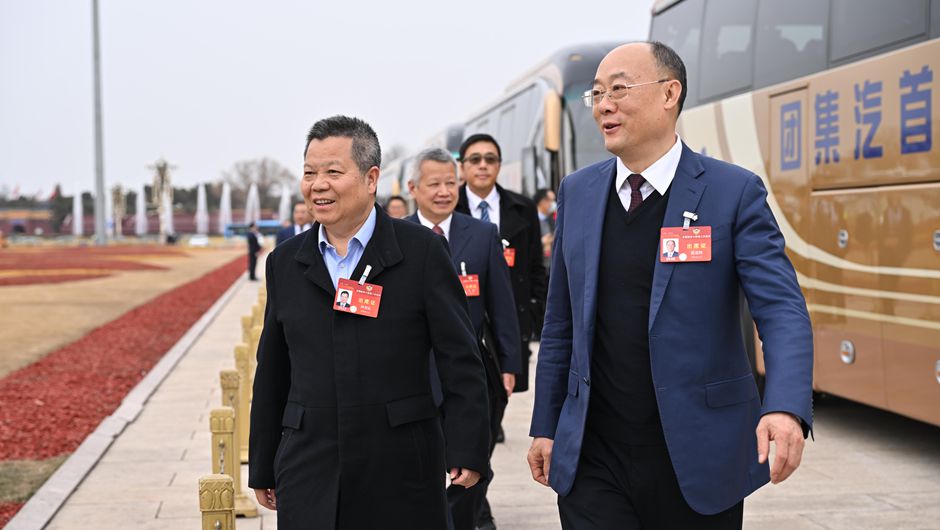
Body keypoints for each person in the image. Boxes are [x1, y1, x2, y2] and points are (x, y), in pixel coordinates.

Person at [527, 42, 813, 530]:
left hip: (699, 456)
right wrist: (546, 426)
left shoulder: (732, 192)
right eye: (597, 94)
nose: (603, 106)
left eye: (619, 89)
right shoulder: (578, 192)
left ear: (669, 93)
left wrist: (785, 407)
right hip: (594, 456)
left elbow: (781, 310)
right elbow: (560, 323)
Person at [249, 115, 490, 530]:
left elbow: (460, 357)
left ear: (371, 178)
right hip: (310, 466)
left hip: (400, 465)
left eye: (333, 172)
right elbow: (273, 369)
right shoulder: (285, 262)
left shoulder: (422, 252)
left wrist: (468, 446)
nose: (318, 185)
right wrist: (263, 462)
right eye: (309, 173)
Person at [405, 147, 520, 530]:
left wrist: (510, 364)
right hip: (413, 374)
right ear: (413, 188)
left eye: (450, 183)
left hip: (469, 374)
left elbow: (502, 306)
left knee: (470, 465)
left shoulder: (483, 235)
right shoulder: (396, 236)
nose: (443, 192)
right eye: (434, 184)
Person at [533, 188, 556, 272]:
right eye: (551, 200)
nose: (553, 204)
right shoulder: (530, 219)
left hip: (550, 266)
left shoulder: (552, 220)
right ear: (542, 201)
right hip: (535, 266)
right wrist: (541, 242)